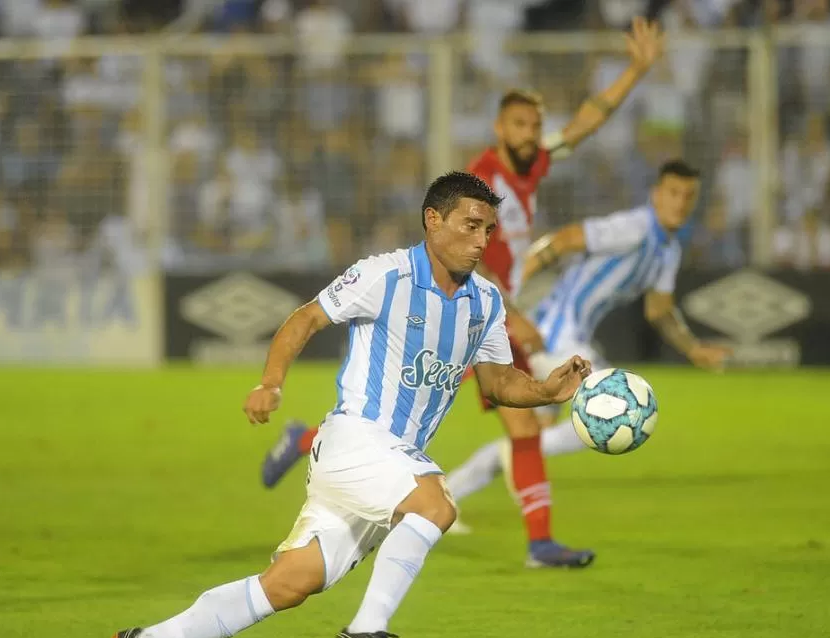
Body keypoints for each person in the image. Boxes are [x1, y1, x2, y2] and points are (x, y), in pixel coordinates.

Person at [109, 172, 591, 638]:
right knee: (436, 505)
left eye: (489, 230)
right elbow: (304, 320)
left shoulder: (486, 303)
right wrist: (270, 384)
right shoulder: (382, 276)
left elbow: (499, 382)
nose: (482, 241)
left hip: (387, 463)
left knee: (289, 584)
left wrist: (546, 391)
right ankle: (364, 632)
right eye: (471, 226)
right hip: (355, 439)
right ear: (434, 220)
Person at [262, 17, 665, 569]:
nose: (532, 133)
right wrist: (514, 313)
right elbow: (469, 260)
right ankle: (540, 543)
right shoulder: (484, 184)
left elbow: (586, 123)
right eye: (521, 124)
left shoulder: (533, 164)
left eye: (536, 124)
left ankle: (307, 438)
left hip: (490, 310)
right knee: (488, 415)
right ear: (500, 127)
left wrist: (637, 70)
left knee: (493, 418)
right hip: (470, 310)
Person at [444, 160, 732, 515]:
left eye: (689, 196)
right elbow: (564, 240)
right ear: (656, 195)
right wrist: (514, 289)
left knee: (528, 437)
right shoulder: (634, 227)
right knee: (612, 407)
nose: (680, 203)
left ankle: (446, 497)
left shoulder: (668, 249)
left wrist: (693, 348)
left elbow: (659, 310)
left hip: (568, 336)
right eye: (673, 193)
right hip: (556, 333)